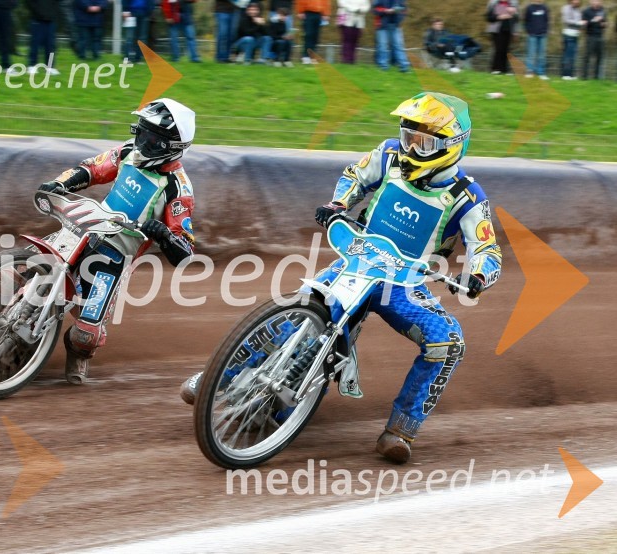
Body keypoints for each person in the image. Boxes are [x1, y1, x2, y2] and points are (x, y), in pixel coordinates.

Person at [179, 92, 502, 465]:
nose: (411, 146)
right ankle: (216, 377)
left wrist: (478, 275)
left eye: (423, 141)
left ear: (451, 145)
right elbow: (355, 175)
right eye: (408, 136)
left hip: (405, 284)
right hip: (359, 259)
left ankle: (401, 429)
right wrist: (338, 205)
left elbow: (488, 250)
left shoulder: (467, 196)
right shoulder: (387, 155)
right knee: (296, 311)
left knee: (448, 342)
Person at [0, 99, 197, 385]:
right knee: (7, 275)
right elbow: (92, 169)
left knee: (86, 335)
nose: (140, 140)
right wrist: (60, 183)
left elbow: (185, 249)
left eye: (149, 137)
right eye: (140, 131)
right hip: (82, 228)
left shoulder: (178, 189)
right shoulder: (128, 151)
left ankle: (78, 353)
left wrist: (164, 234)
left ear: (169, 147)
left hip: (114, 256)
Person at [372, 0, 410, 72]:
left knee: (398, 46)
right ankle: (383, 67)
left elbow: (404, 10)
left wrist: (398, 16)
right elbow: (374, 9)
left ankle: (404, 67)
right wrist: (385, 11)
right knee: (383, 46)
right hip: (382, 25)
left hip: (395, 25)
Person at [486, 0, 519, 75]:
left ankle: (505, 70)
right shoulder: (493, 3)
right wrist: (499, 17)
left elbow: (517, 19)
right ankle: (495, 68)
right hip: (496, 30)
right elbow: (489, 17)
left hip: (509, 30)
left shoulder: (513, 3)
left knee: (506, 50)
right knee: (499, 49)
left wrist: (513, 12)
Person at [28, 0, 61, 73]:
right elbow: (30, 3)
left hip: (51, 19)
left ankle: (50, 67)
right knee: (35, 43)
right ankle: (32, 65)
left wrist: (53, 13)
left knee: (50, 44)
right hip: (37, 19)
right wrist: (37, 13)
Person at [337, 0, 369, 64]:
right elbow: (342, 3)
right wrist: (354, 9)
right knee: (347, 40)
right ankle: (346, 59)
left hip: (358, 20)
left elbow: (366, 6)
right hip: (347, 19)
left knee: (355, 40)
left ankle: (352, 59)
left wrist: (361, 10)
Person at [581, 0, 607, 80]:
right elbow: (583, 24)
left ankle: (596, 77)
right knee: (587, 57)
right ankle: (584, 76)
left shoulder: (603, 11)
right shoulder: (586, 11)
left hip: (600, 36)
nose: (596, 2)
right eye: (594, 1)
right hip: (590, 36)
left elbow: (605, 24)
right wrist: (593, 20)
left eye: (598, 1)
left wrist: (602, 23)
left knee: (599, 57)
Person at [524, 0, 550, 79]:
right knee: (531, 54)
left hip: (542, 35)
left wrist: (545, 30)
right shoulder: (529, 8)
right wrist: (529, 31)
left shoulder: (544, 8)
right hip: (532, 35)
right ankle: (529, 71)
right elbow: (526, 21)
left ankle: (541, 72)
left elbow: (547, 20)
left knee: (542, 55)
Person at [561, 0, 583, 79]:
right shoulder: (566, 8)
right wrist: (578, 22)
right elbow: (566, 20)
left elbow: (579, 21)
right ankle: (565, 74)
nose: (577, 1)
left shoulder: (578, 10)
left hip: (575, 34)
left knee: (573, 55)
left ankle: (570, 74)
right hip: (568, 34)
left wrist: (581, 25)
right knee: (568, 55)